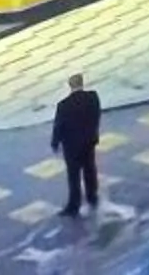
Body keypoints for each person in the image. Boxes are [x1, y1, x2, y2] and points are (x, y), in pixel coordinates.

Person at [51, 73, 104, 216]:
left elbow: (59, 126)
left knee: (73, 175)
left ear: (70, 86)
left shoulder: (63, 105)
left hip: (71, 146)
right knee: (90, 170)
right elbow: (96, 115)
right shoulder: (93, 97)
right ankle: (92, 197)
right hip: (88, 141)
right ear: (82, 83)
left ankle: (74, 205)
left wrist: (55, 143)